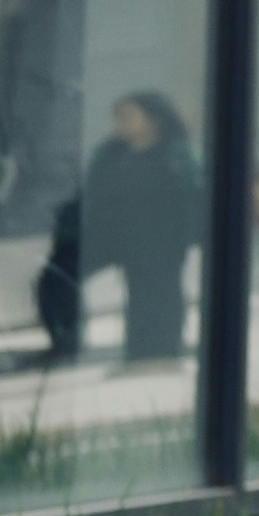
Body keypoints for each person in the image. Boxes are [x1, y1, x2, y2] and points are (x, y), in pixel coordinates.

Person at [76, 90, 202, 364]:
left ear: (153, 120)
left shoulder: (176, 156)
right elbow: (97, 197)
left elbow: (194, 196)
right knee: (136, 292)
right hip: (128, 238)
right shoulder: (112, 157)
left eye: (129, 116)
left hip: (165, 240)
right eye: (118, 117)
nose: (120, 123)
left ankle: (165, 346)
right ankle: (140, 346)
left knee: (163, 290)